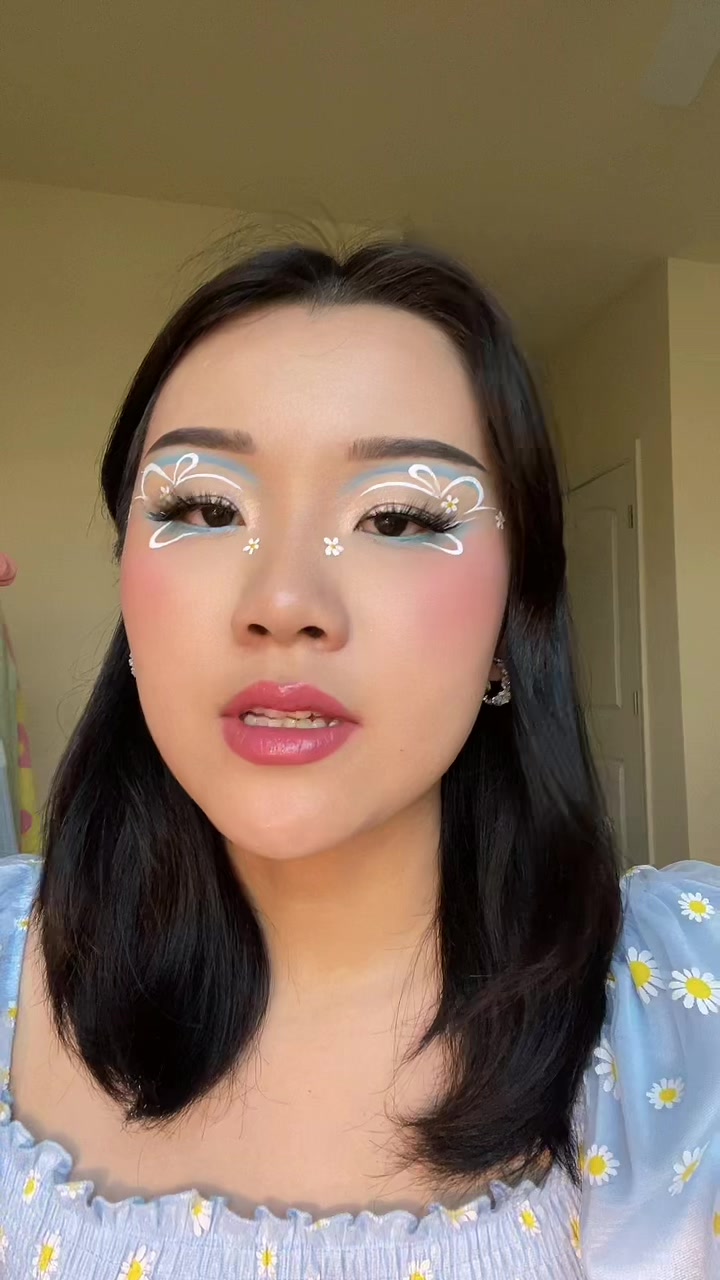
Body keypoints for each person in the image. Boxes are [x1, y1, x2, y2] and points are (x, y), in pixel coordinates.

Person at [0, 243, 717, 1280]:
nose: (285, 600)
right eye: (204, 507)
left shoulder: (689, 1002)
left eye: (399, 517)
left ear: (514, 615)